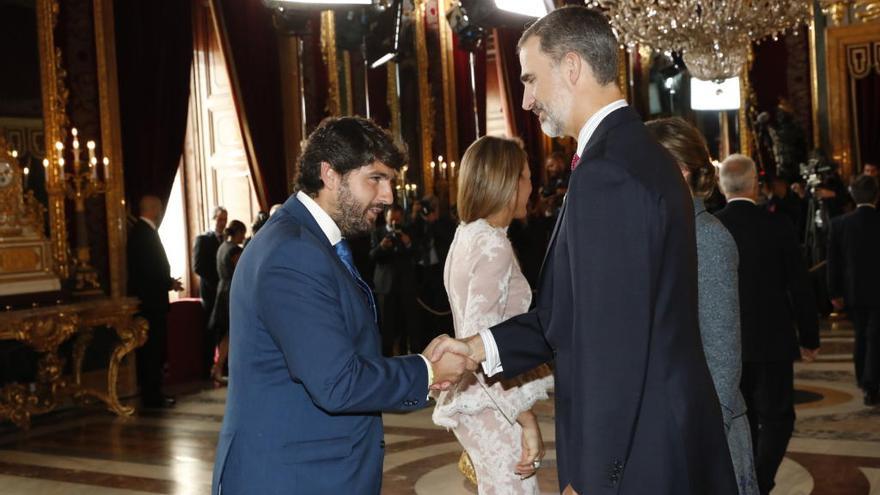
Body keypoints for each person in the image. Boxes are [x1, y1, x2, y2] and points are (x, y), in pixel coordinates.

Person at [429, 7, 737, 494]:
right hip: (662, 436)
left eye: (531, 79)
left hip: (639, 456)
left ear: (571, 67)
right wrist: (473, 349)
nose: (527, 99)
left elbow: (615, 343)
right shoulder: (637, 153)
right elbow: (565, 314)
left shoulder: (608, 171)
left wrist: (594, 479)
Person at [211, 116, 474, 495]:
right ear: (330, 175)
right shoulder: (293, 251)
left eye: (390, 182)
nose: (387, 196)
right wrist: (427, 372)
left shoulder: (307, 240)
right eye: (375, 179)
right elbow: (337, 382)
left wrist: (424, 368)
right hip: (292, 479)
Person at [433, 136, 553, 494]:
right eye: (528, 177)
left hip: (481, 401)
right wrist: (525, 417)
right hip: (492, 405)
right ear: (509, 182)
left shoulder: (467, 234)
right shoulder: (492, 244)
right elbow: (478, 345)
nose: (533, 187)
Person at [646, 118, 759, 495]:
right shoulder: (662, 233)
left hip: (704, 436)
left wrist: (705, 440)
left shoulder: (707, 238)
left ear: (678, 171)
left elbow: (723, 354)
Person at [715, 154, 821, 495]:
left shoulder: (712, 227)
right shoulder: (779, 225)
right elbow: (800, 286)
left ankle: (746, 482)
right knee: (778, 417)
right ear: (755, 185)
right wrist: (809, 336)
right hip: (773, 339)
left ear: (721, 185)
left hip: (725, 343)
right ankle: (760, 481)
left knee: (738, 417)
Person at [827, 174, 880, 405]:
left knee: (861, 334)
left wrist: (834, 293)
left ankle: (863, 379)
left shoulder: (840, 224)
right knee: (875, 336)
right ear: (876, 196)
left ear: (852, 195)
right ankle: (871, 384)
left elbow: (833, 262)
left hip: (854, 290)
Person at [127, 195, 183, 408]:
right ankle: (152, 396)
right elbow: (148, 271)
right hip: (150, 304)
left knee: (154, 350)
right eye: (159, 208)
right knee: (152, 351)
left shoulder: (145, 232)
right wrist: (166, 282)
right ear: (153, 209)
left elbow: (153, 269)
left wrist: (169, 282)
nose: (160, 212)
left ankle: (154, 394)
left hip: (152, 300)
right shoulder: (143, 234)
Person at [370, 204, 417, 356]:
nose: (395, 221)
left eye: (398, 218)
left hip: (404, 286)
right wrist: (382, 247)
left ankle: (405, 356)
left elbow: (417, 255)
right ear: (386, 217)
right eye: (392, 218)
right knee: (386, 326)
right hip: (385, 287)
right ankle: (387, 358)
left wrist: (408, 243)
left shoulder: (408, 231)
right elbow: (372, 257)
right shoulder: (378, 232)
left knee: (405, 324)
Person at [207, 220, 246, 384]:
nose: (243, 237)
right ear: (237, 233)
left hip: (222, 290)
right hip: (232, 292)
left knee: (227, 334)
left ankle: (217, 368)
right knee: (232, 333)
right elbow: (241, 271)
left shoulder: (222, 247)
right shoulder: (235, 250)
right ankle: (222, 368)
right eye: (242, 234)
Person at [192, 206, 227, 378]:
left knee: (224, 330)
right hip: (210, 292)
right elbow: (198, 266)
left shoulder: (226, 240)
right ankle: (207, 369)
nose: (222, 223)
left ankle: (223, 367)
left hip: (224, 294)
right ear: (213, 219)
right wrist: (218, 281)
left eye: (225, 220)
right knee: (210, 331)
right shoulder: (203, 239)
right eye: (220, 219)